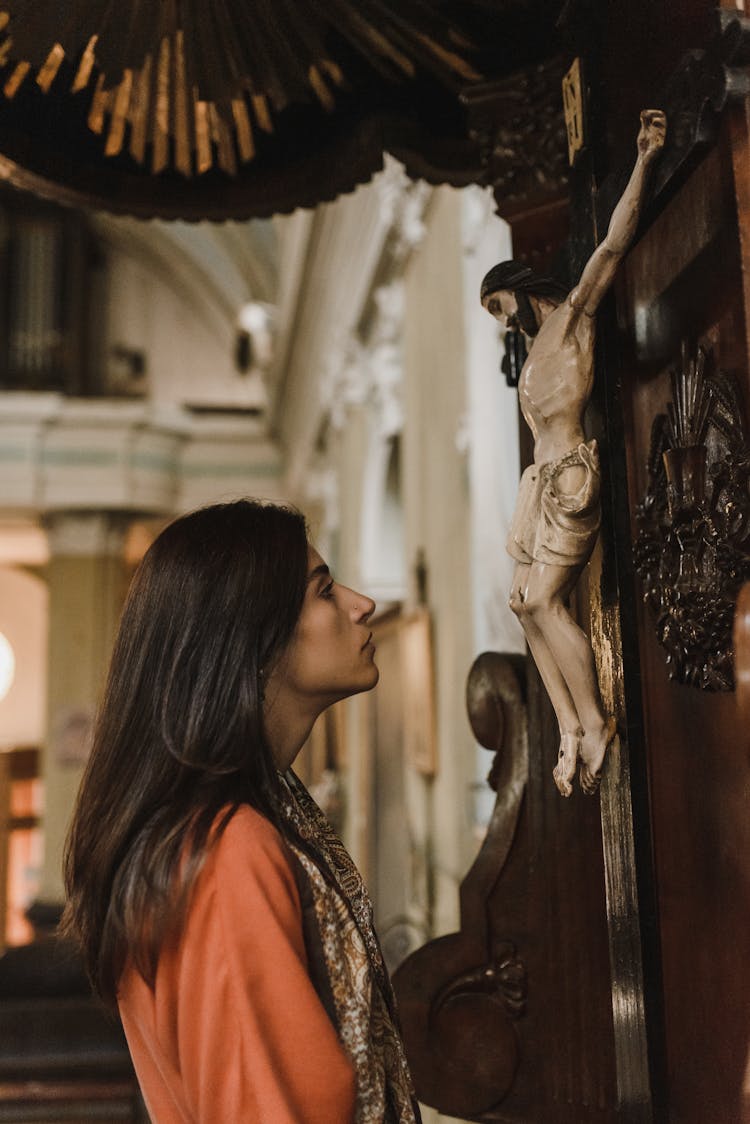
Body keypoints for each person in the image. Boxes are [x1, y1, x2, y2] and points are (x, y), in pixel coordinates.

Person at [62, 499, 420, 1124]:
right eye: (325, 591)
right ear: (251, 639)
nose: (361, 603)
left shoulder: (237, 824)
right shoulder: (225, 850)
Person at [481, 109, 666, 797]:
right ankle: (567, 723)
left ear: (519, 289)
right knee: (523, 603)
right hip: (543, 480)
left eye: (499, 306)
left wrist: (646, 157)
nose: (501, 321)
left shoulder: (572, 320)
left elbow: (613, 247)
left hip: (571, 479)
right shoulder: (531, 354)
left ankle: (594, 720)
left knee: (547, 604)